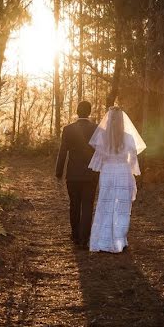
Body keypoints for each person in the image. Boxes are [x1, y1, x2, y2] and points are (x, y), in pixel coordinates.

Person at [87, 106, 146, 253]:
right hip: (122, 172)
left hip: (107, 172)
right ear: (122, 120)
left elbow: (99, 159)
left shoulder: (102, 136)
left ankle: (103, 239)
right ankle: (119, 240)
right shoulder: (129, 137)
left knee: (105, 205)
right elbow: (133, 160)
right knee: (121, 208)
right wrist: (132, 173)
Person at [55, 101, 99, 249]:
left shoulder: (68, 129)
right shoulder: (96, 128)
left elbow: (62, 152)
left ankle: (75, 235)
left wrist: (58, 173)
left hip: (73, 174)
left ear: (76, 111)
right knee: (87, 205)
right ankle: (84, 238)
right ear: (90, 112)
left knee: (74, 204)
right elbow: (100, 152)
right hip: (91, 174)